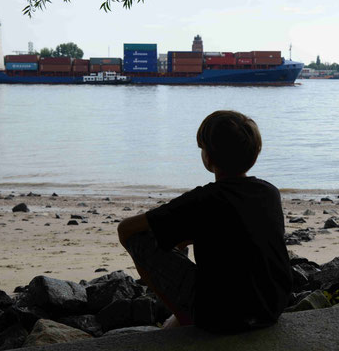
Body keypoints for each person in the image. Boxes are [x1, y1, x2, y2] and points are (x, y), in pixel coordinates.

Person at [117, 110, 292, 333]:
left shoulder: (202, 200)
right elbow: (237, 228)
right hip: (271, 309)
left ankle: (184, 316)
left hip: (220, 316)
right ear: (256, 154)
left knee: (138, 239)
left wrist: (173, 237)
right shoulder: (270, 193)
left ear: (207, 157)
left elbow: (125, 229)